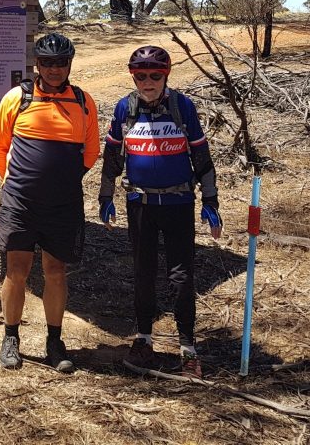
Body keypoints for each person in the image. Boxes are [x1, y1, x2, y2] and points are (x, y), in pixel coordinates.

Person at [99, 45, 222, 378]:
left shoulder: (182, 107)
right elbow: (112, 156)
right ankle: (143, 339)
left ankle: (188, 348)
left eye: (155, 75)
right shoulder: (125, 108)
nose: (148, 81)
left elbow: (201, 157)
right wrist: (105, 196)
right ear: (133, 76)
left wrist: (211, 201)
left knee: (181, 278)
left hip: (178, 203)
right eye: (141, 75)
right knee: (143, 273)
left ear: (166, 75)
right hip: (140, 204)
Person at [0, 32, 100, 373]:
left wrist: (61, 182)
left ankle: (55, 340)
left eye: (61, 63)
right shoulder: (17, 98)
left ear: (69, 64)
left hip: (62, 205)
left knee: (55, 271)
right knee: (17, 271)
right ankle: (10, 338)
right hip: (20, 202)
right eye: (47, 63)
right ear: (36, 64)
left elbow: (91, 152)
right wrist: (15, 183)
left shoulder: (83, 101)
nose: (54, 70)